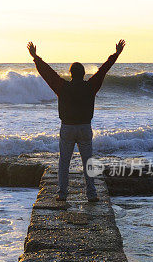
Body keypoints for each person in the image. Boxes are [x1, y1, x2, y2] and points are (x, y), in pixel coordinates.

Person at [27, 39, 126, 202]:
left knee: (64, 162)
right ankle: (92, 194)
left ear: (71, 74)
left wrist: (36, 57)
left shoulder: (62, 87)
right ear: (84, 74)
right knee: (88, 163)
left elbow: (48, 74)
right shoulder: (90, 86)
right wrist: (116, 54)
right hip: (85, 128)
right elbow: (103, 70)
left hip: (67, 128)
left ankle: (62, 194)